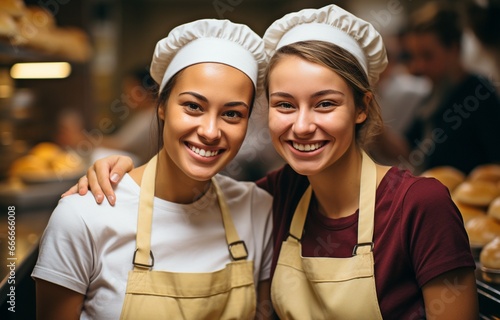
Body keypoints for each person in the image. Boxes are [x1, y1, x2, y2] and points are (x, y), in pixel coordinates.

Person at [65, 5, 479, 319]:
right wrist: (117, 170)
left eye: (325, 104)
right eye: (284, 104)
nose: (301, 126)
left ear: (361, 107)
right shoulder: (274, 197)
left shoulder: (420, 205)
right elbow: (188, 195)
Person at [32, 18, 273, 320]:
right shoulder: (83, 215)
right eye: (193, 106)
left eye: (232, 113)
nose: (210, 131)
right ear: (161, 106)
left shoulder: (258, 209)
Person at [401, 1, 500, 174]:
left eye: (427, 56)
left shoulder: (480, 94)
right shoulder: (434, 94)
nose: (419, 66)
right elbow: (407, 149)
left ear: (454, 49)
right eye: (414, 56)